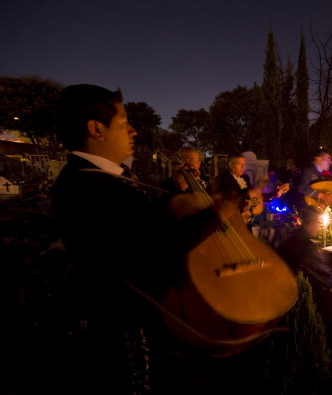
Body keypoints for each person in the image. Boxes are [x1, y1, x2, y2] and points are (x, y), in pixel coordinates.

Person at [50, 84, 216, 392]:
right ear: (96, 129)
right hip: (128, 335)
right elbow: (145, 259)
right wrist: (211, 216)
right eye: (125, 122)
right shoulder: (85, 188)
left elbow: (135, 227)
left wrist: (170, 204)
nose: (134, 131)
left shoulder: (98, 179)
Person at [276, 205, 332, 290]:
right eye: (318, 223)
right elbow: (327, 279)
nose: (318, 227)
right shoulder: (307, 246)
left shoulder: (293, 236)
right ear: (311, 223)